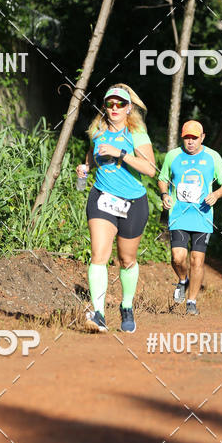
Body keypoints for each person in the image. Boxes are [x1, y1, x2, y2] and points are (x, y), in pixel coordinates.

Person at [76, 84, 156, 333]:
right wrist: (86, 167)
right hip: (102, 198)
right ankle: (98, 313)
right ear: (104, 107)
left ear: (128, 107)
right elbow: (92, 154)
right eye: (110, 104)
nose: (114, 108)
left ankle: (126, 305)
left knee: (126, 259)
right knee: (99, 255)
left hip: (133, 202)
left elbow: (151, 170)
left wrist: (121, 153)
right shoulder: (98, 130)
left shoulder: (137, 132)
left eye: (120, 104)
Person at [158, 120, 222, 315]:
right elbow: (162, 179)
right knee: (177, 258)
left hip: (202, 216)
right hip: (178, 216)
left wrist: (216, 194)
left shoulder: (212, 157)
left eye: (194, 138)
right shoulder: (173, 156)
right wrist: (165, 195)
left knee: (197, 260)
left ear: (202, 137)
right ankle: (183, 280)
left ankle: (191, 301)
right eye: (187, 138)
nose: (190, 141)